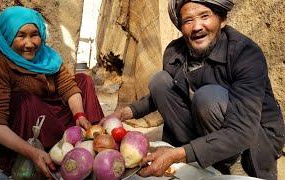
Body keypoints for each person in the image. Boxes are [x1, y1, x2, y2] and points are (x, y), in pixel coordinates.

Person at [103, 0, 285, 179]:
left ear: (222, 20)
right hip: (206, 126)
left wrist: (177, 154)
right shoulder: (175, 52)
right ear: (181, 27)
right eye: (188, 20)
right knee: (160, 81)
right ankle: (196, 158)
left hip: (252, 136)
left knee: (207, 98)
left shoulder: (245, 53)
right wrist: (124, 113)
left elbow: (243, 129)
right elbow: (160, 96)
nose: (197, 26)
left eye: (205, 16)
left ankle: (233, 165)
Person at [0, 6, 104, 178]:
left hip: (47, 114)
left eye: (34, 35)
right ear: (7, 35)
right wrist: (31, 152)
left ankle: (92, 140)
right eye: (20, 36)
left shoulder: (46, 55)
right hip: (19, 128)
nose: (29, 44)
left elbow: (67, 86)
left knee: (83, 80)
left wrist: (79, 115)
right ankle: (49, 151)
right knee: (26, 100)